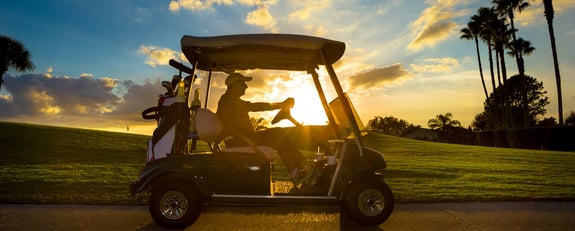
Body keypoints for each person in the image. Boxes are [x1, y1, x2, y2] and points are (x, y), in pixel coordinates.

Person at [216, 72, 311, 186]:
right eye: (242, 83)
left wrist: (280, 105)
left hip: (242, 138)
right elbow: (255, 106)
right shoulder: (229, 101)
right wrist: (281, 104)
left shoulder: (229, 100)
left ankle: (297, 171)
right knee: (277, 133)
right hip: (240, 140)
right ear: (233, 85)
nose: (246, 86)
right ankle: (299, 170)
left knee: (277, 134)